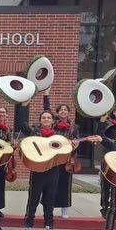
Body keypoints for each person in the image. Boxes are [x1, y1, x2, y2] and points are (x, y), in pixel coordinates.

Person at [15, 91, 62, 230]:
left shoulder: (59, 135)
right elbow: (22, 123)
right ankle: (28, 226)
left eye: (49, 117)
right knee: (33, 200)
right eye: (44, 117)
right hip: (37, 171)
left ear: (53, 120)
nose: (46, 119)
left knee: (50, 201)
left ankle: (49, 227)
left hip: (53, 171)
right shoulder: (34, 132)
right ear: (40, 120)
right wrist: (24, 105)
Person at [43, 91, 80, 219]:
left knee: (65, 184)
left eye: (65, 110)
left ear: (69, 112)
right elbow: (46, 110)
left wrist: (76, 145)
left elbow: (77, 140)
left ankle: (65, 209)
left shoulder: (74, 127)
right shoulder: (53, 124)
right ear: (57, 113)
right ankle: (50, 208)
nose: (63, 111)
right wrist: (46, 95)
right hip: (53, 158)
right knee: (52, 184)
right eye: (61, 110)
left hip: (67, 159)